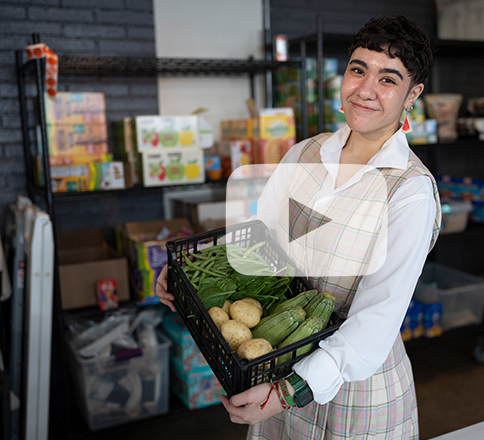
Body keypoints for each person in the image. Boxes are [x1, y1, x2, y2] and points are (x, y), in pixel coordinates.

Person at [156, 15, 441, 439]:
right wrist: (192, 281)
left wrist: (291, 390)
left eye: (388, 79)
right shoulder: (305, 154)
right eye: (358, 70)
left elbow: (377, 319)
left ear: (412, 94)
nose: (364, 90)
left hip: (351, 389)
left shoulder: (410, 191)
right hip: (276, 359)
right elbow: (260, 238)